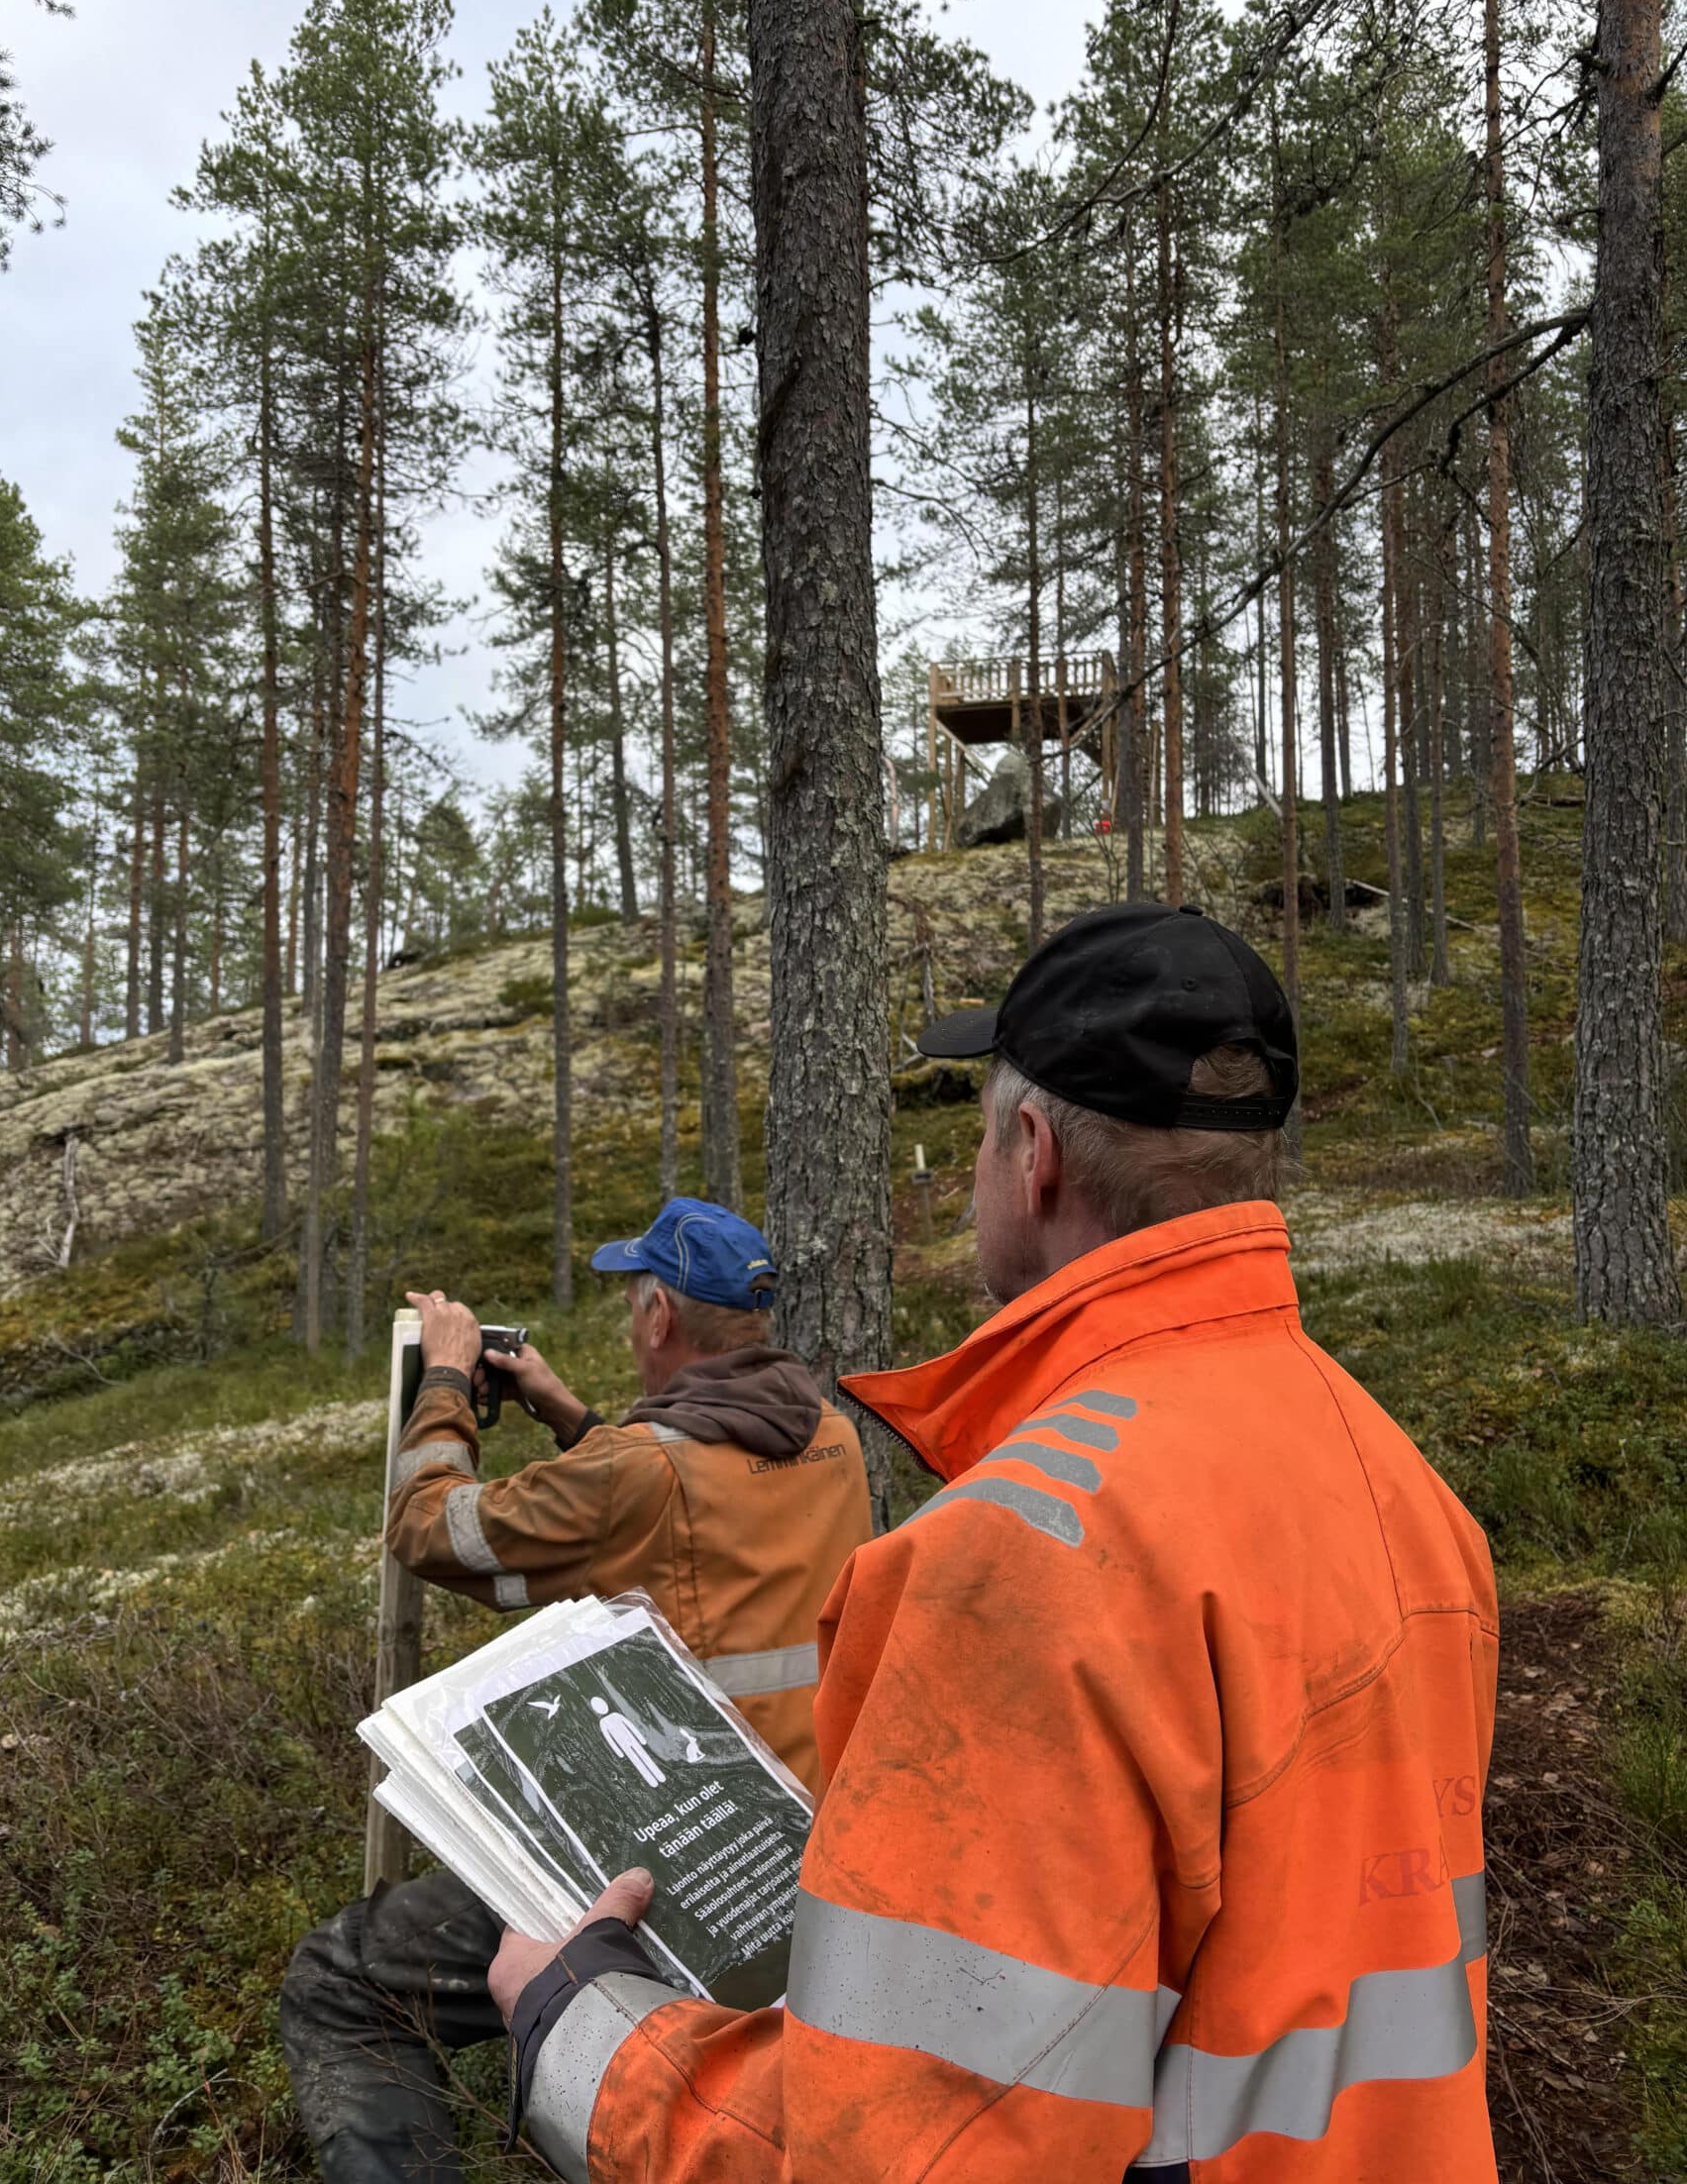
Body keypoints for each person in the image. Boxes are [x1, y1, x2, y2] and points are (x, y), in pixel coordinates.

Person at [489, 902, 1500, 2184]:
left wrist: (587, 2036)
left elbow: (893, 2157)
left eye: (976, 1129)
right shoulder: (1403, 1487)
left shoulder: (1013, 1565)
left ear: (1033, 1157)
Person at [281, 1196, 872, 2184]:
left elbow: (435, 1531)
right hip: (800, 1851)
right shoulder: (829, 1440)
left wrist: (442, 1385)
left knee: (342, 1981)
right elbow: (685, 1521)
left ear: (657, 1319)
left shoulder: (638, 1474)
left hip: (667, 1873)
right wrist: (571, 1417)